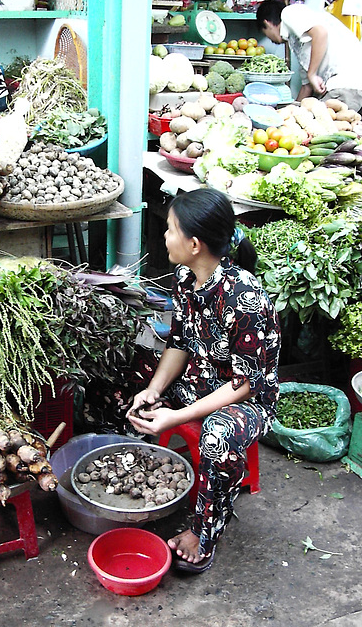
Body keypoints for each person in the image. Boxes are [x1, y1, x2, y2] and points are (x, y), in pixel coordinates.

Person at [126, 189, 281, 574]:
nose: (164, 236)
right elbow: (179, 342)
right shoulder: (185, 276)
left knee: (216, 436)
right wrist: (155, 391)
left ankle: (204, 530)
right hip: (201, 379)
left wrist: (175, 417)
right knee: (122, 385)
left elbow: (243, 385)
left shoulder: (244, 297)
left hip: (247, 399)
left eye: (169, 229)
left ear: (194, 244)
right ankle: (142, 481)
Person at [256, 0, 362, 111]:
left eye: (265, 33)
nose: (270, 39)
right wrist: (289, 111)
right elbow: (307, 87)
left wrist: (312, 74)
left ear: (266, 23)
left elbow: (320, 33)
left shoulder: (289, 12)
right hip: (344, 88)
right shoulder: (300, 41)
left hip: (346, 85)